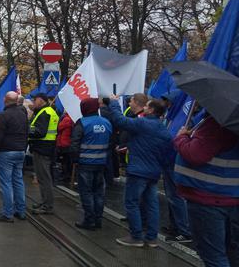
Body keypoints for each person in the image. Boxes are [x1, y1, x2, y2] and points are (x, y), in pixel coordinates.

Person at [173, 113, 239, 267]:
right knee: (229, 253)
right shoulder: (233, 123)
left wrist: (181, 138)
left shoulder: (216, 124)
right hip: (230, 197)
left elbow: (196, 154)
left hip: (208, 197)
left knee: (214, 256)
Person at [107, 96, 171, 248]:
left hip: (138, 171)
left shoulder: (143, 123)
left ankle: (136, 236)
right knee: (151, 205)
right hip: (153, 171)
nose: (145, 108)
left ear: (152, 110)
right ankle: (152, 238)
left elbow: (120, 121)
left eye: (147, 106)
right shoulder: (163, 129)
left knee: (132, 203)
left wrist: (114, 103)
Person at [69, 98, 112, 230]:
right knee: (99, 192)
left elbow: (74, 144)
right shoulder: (106, 123)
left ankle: (89, 220)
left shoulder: (82, 123)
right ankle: (98, 219)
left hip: (85, 163)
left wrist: (74, 160)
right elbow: (111, 142)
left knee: (86, 192)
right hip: (101, 163)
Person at [159, 90, 192, 243]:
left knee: (176, 197)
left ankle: (184, 231)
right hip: (166, 161)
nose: (166, 102)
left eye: (169, 100)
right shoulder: (169, 114)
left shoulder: (182, 116)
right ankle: (175, 226)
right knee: (171, 196)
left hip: (174, 162)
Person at [0, 91, 29, 222]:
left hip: (6, 152)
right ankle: (21, 211)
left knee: (6, 183)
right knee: (18, 181)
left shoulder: (3, 115)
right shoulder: (23, 114)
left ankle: (7, 213)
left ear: (5, 100)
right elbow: (26, 133)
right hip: (20, 151)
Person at [29, 93, 59, 214]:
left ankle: (48, 205)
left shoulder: (45, 112)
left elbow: (40, 132)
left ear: (41, 100)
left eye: (34, 100)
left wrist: (28, 129)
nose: (33, 102)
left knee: (44, 178)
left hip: (42, 148)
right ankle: (45, 201)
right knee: (42, 177)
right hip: (45, 147)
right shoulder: (47, 111)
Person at [56, 112, 74, 185]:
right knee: (66, 161)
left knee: (64, 161)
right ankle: (66, 175)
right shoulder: (72, 119)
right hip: (68, 142)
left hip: (63, 142)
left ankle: (65, 176)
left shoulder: (67, 119)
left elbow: (59, 127)